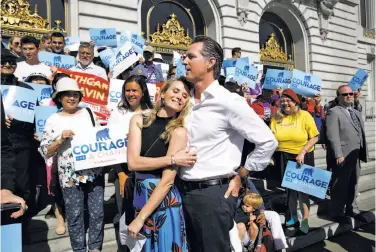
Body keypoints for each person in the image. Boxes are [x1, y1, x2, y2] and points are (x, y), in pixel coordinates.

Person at [180, 35, 277, 252]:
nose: (184, 61)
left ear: (210, 62)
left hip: (212, 196)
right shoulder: (184, 101)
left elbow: (267, 141)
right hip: (181, 191)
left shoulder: (229, 101)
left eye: (190, 57)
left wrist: (243, 173)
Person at [127, 78, 197, 251]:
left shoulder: (179, 132)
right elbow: (133, 163)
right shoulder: (138, 119)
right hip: (139, 193)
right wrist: (172, 159)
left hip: (163, 201)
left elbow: (167, 181)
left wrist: (140, 218)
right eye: (175, 91)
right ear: (163, 92)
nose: (180, 96)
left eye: (185, 95)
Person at [40, 78, 104, 252]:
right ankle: (79, 249)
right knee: (75, 216)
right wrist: (60, 139)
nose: (71, 97)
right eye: (67, 94)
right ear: (59, 97)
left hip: (94, 171)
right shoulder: (53, 119)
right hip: (69, 176)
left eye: (75, 94)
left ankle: (95, 248)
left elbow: (101, 137)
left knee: (97, 213)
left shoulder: (89, 113)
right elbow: (45, 150)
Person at [107, 74, 153, 252]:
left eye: (135, 90)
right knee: (124, 214)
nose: (131, 94)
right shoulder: (117, 112)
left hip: (147, 170)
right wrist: (121, 174)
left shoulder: (152, 113)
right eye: (127, 90)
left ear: (143, 92)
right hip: (123, 171)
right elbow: (109, 147)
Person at [270, 88, 319, 234]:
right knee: (290, 191)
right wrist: (270, 155)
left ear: (295, 102)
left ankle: (304, 220)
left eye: (288, 100)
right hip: (283, 156)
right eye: (282, 101)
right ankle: (292, 216)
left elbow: (315, 137)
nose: (285, 103)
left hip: (302, 156)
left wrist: (303, 151)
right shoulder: (276, 118)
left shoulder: (304, 115)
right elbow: (271, 139)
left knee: (303, 191)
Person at [326, 85, 368, 223]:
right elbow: (333, 136)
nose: (349, 96)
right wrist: (338, 154)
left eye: (350, 93)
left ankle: (352, 209)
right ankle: (337, 212)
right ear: (338, 97)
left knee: (353, 183)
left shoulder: (355, 111)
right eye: (345, 94)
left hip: (355, 154)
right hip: (342, 155)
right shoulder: (334, 112)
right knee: (340, 185)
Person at [2, 48, 35, 216]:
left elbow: (32, 122)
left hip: (21, 146)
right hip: (2, 147)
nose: (7, 65)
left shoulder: (26, 89)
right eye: (3, 62)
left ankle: (23, 222)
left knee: (23, 186)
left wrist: (16, 123)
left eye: (11, 62)